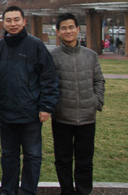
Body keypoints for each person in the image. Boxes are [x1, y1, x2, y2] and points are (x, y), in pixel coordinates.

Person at [0, 5, 59, 195]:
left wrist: (46, 106)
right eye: (8, 20)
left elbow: (49, 78)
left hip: (31, 113)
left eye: (16, 20)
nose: (12, 24)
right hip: (6, 112)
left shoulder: (36, 45)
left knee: (32, 156)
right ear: (3, 23)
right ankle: (8, 190)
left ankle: (28, 191)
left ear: (24, 21)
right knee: (8, 156)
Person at [51, 13, 105, 195]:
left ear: (78, 29)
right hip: (62, 118)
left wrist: (96, 102)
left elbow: (99, 80)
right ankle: (66, 191)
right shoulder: (52, 56)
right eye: (64, 28)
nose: (68, 31)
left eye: (71, 27)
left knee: (85, 161)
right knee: (63, 160)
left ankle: (83, 191)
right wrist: (55, 106)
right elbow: (48, 84)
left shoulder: (90, 55)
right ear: (58, 32)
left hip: (87, 117)